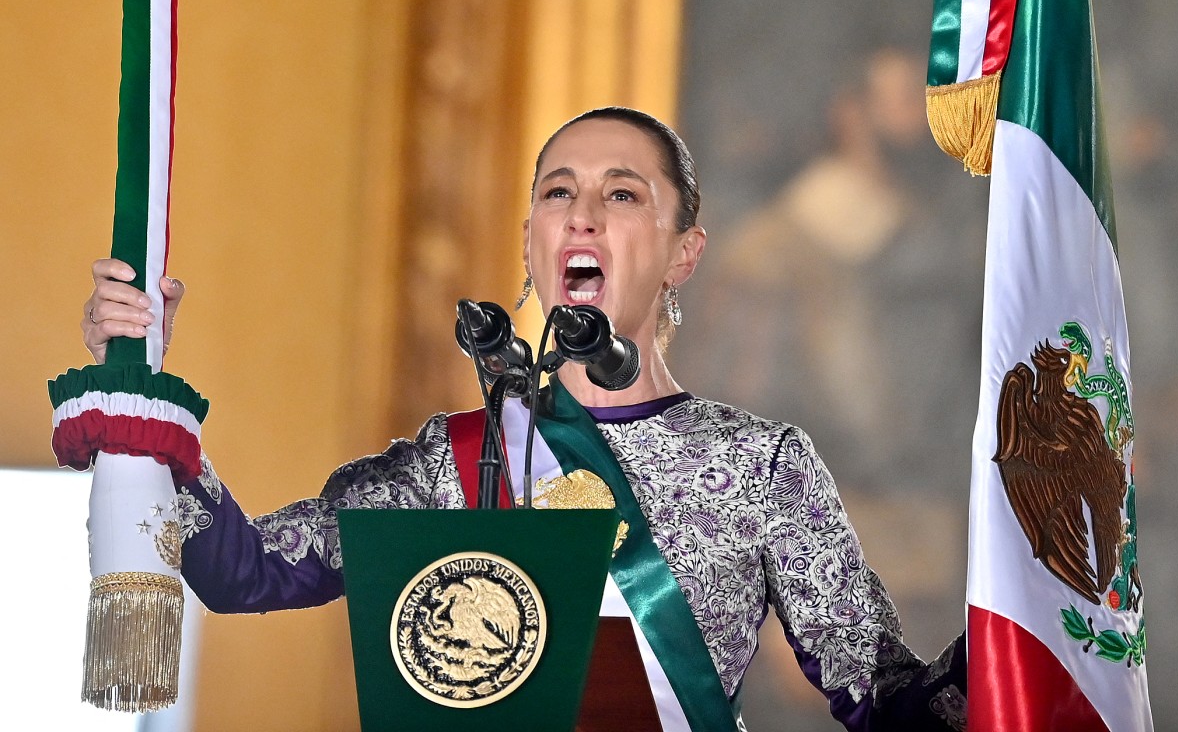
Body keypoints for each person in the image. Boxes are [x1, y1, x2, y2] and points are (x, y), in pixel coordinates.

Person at [82, 107, 966, 731]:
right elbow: (242, 574)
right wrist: (140, 384)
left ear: (684, 253)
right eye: (557, 193)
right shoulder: (452, 463)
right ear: (532, 242)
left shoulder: (762, 464)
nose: (581, 214)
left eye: (622, 195)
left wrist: (1023, 634)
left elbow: (886, 696)